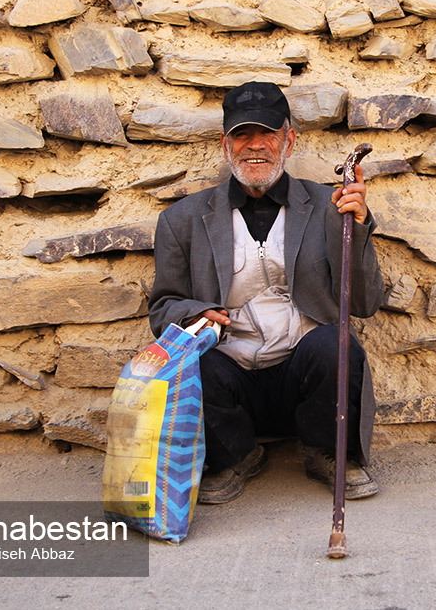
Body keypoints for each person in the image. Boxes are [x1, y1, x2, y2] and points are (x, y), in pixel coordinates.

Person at [148, 81, 385, 504]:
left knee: (337, 343)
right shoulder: (181, 220)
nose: (254, 146)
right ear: (225, 144)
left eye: (267, 134)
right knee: (192, 364)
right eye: (242, 135)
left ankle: (326, 452)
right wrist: (197, 313)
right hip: (232, 373)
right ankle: (237, 454)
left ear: (288, 139)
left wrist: (357, 229)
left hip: (304, 374)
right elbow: (162, 308)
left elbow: (364, 304)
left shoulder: (330, 205)